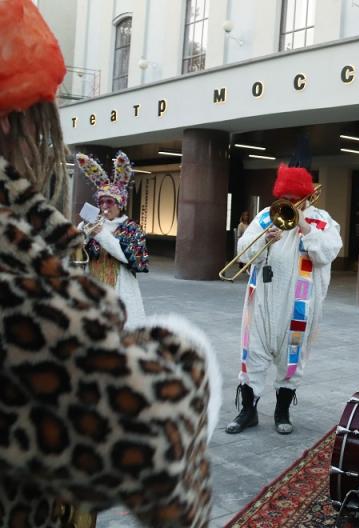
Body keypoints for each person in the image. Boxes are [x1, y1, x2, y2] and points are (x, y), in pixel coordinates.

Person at [0, 1, 221, 526]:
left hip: (121, 291)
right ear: (14, 124)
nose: (106, 208)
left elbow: (137, 261)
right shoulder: (20, 259)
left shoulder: (124, 229)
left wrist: (106, 237)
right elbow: (157, 456)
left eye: (113, 204)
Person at [226, 164, 342, 435]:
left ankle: (282, 411)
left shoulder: (322, 220)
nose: (289, 203)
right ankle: (248, 410)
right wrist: (263, 239)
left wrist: (304, 225)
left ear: (307, 196)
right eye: (285, 198)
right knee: (252, 353)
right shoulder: (267, 216)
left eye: (294, 198)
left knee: (292, 358)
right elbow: (243, 252)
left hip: (299, 304)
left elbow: (329, 252)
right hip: (263, 300)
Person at [76, 151, 149, 328]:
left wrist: (101, 234)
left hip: (120, 287)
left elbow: (127, 256)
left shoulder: (131, 227)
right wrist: (81, 234)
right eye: (101, 202)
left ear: (120, 204)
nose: (104, 206)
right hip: (94, 284)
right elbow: (77, 257)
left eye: (109, 202)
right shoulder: (91, 224)